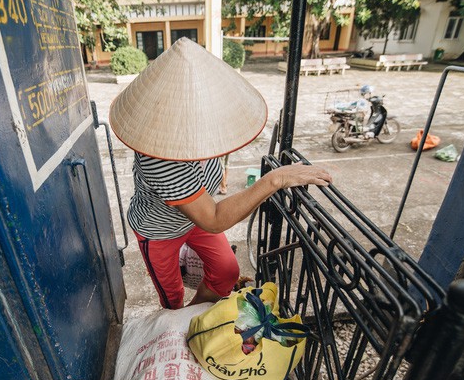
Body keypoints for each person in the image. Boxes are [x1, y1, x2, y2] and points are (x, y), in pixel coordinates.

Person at [109, 38, 332, 310]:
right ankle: (179, 325)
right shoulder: (159, 156)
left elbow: (209, 194)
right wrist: (276, 179)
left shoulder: (211, 131)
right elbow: (213, 219)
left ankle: (194, 315)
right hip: (160, 231)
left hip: (195, 220)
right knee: (172, 299)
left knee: (227, 272)